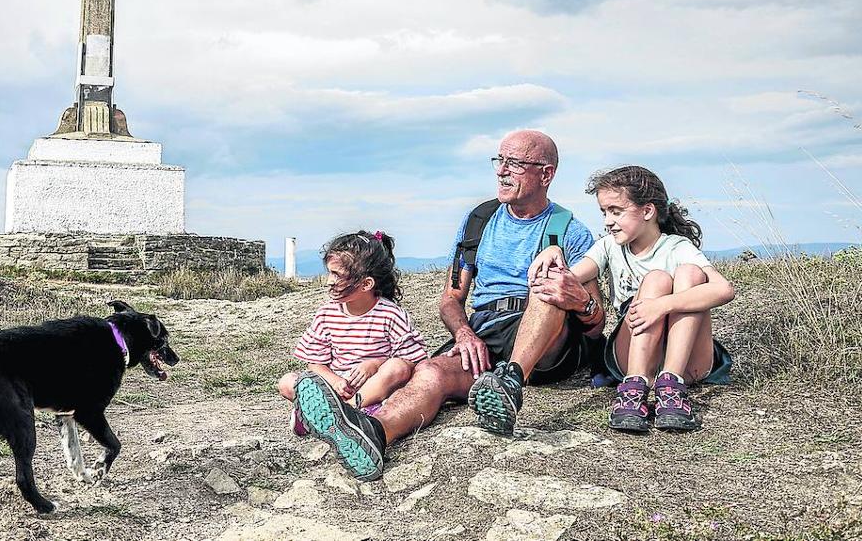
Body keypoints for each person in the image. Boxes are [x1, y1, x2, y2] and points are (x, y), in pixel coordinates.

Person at [293, 130, 605, 481]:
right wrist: (464, 333)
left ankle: (511, 381)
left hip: (549, 340)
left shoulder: (570, 232)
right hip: (487, 330)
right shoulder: (478, 222)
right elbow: (451, 298)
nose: (502, 171)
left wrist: (578, 299)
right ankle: (373, 432)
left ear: (546, 174)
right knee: (430, 372)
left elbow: (596, 323)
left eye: (514, 164)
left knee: (545, 284)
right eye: (498, 161)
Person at [528, 165, 735, 432]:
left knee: (690, 274)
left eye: (616, 211)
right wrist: (554, 249)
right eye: (604, 212)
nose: (607, 221)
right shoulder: (609, 246)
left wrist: (662, 305)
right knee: (657, 280)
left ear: (647, 211)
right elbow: (572, 277)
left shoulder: (677, 248)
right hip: (633, 353)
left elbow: (724, 289)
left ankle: (671, 386)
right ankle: (634, 389)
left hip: (687, 361)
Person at [277, 230, 427, 436]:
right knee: (287, 382)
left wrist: (374, 365)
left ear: (366, 284)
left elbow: (411, 360)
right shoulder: (326, 314)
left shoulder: (391, 314)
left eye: (337, 275)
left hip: (373, 390)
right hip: (335, 388)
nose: (329, 281)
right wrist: (335, 381)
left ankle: (333, 415)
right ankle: (342, 414)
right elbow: (315, 363)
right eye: (329, 272)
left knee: (397, 367)